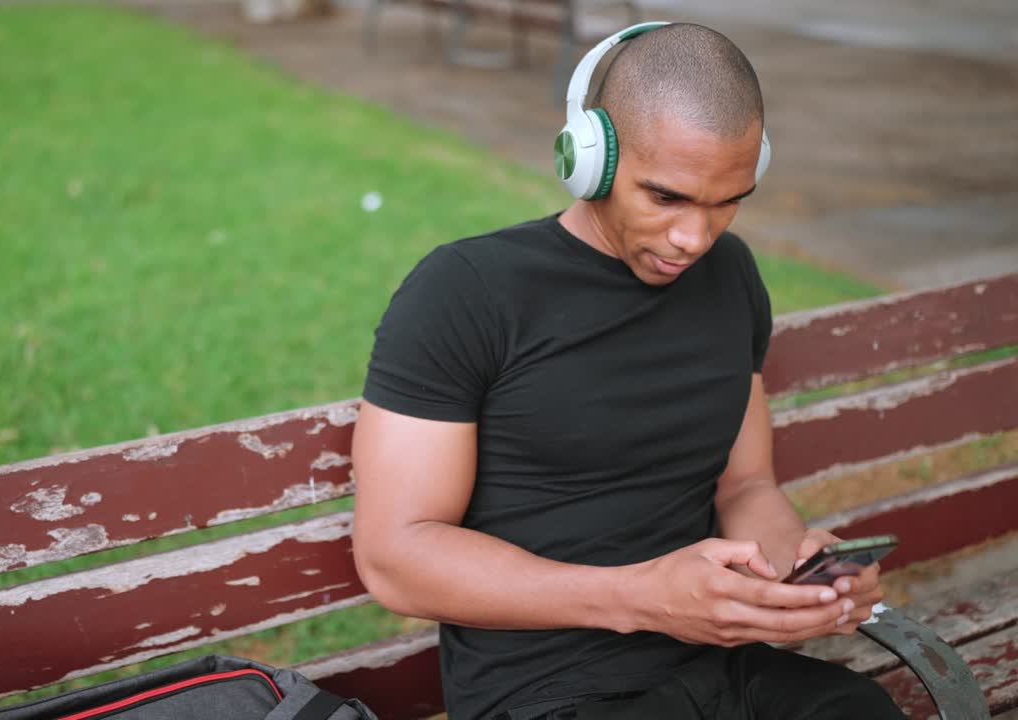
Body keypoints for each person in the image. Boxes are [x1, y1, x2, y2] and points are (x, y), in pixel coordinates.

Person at [350, 21, 907, 720]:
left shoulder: (730, 275)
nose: (694, 238)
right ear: (590, 158)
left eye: (727, 200)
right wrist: (643, 597)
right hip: (548, 693)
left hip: (722, 670)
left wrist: (798, 576)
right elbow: (395, 557)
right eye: (666, 196)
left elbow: (746, 484)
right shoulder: (466, 291)